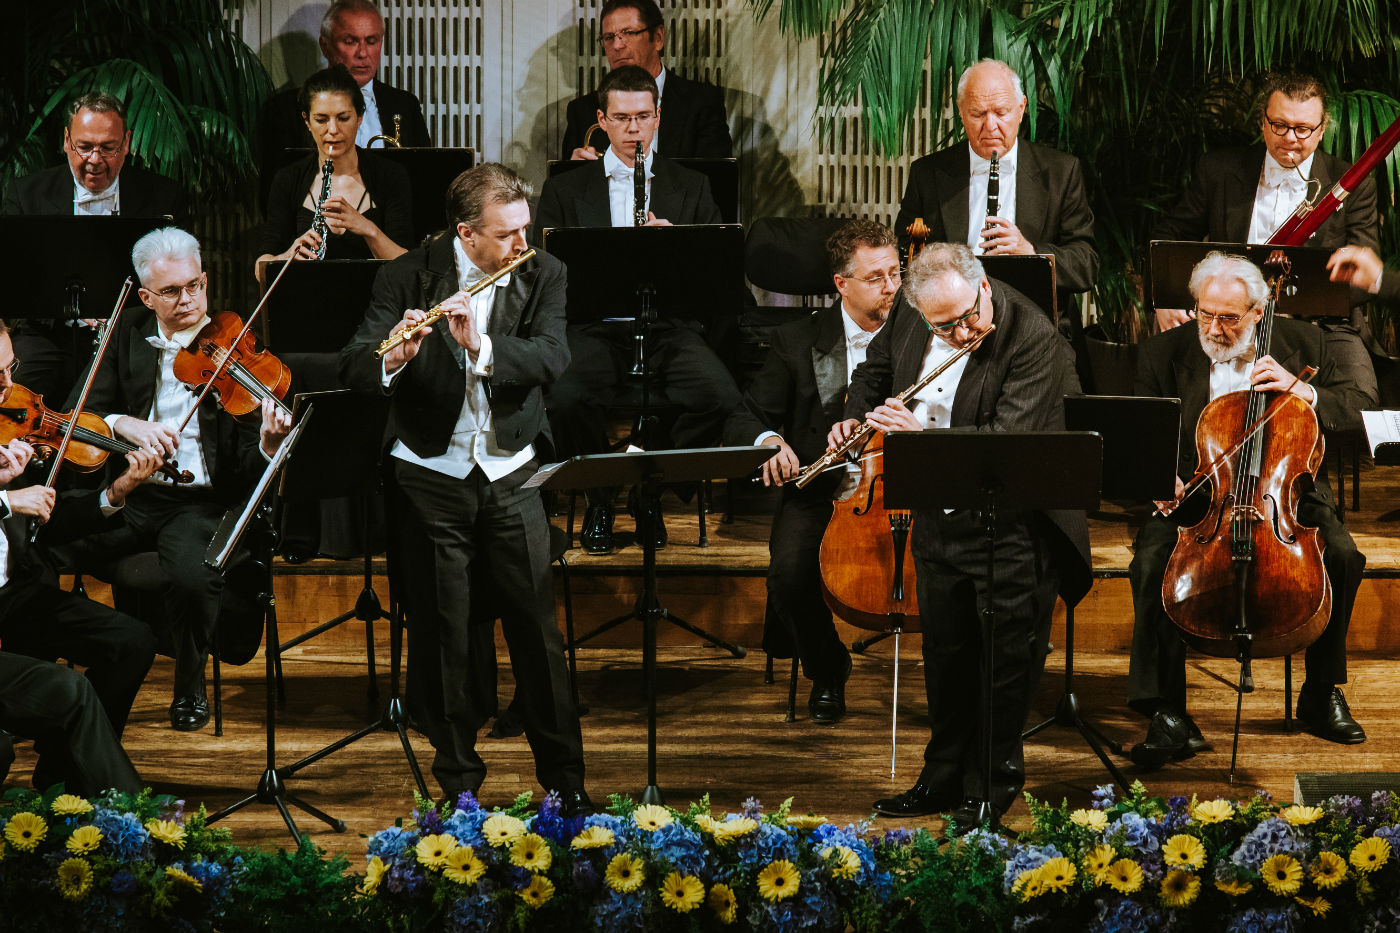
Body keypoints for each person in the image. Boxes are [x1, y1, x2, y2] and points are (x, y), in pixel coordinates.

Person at [338, 163, 590, 813]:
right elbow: (357, 361)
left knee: (537, 633)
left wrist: (480, 348)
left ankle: (565, 781)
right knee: (444, 634)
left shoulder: (542, 272)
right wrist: (392, 358)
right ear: (466, 233)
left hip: (511, 472)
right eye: (507, 234)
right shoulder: (405, 275)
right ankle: (460, 788)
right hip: (431, 474)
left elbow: (551, 357)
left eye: (524, 229)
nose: (521, 244)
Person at [836, 243, 1090, 831]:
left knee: (1002, 664)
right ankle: (941, 775)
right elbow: (874, 370)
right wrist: (855, 415)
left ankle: (990, 789)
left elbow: (1004, 446)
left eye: (968, 317)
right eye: (942, 326)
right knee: (945, 655)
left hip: (1010, 524)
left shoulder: (1030, 336)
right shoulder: (911, 311)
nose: (960, 332)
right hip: (933, 516)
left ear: (982, 286)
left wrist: (917, 434)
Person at [1126, 251, 1367, 769]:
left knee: (1345, 557)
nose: (1213, 327)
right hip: (1196, 497)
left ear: (1259, 311)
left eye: (1229, 317)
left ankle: (1320, 692)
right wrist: (1156, 477)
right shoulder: (1161, 354)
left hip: (1286, 493)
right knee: (1149, 563)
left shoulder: (1305, 344)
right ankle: (1166, 710)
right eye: (1205, 313)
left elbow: (1360, 410)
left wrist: (1304, 390)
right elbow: (1140, 434)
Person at [76, 227, 292, 732]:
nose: (188, 300)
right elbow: (80, 408)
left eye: (195, 285)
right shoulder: (124, 331)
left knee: (194, 576)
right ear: (146, 296)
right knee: (38, 547)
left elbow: (247, 468)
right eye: (171, 292)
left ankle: (189, 685)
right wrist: (122, 423)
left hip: (199, 503)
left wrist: (266, 443)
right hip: (128, 493)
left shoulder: (235, 343)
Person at [538, 65, 742, 554]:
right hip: (594, 325)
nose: (634, 130)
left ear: (658, 118)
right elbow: (543, 269)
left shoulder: (691, 185)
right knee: (564, 399)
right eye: (622, 118)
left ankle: (649, 484)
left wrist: (677, 251)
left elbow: (716, 276)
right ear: (602, 121)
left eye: (643, 117)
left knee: (720, 396)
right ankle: (602, 495)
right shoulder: (566, 188)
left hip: (669, 327)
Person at [722, 219, 899, 725]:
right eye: (875, 278)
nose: (890, 288)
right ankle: (828, 668)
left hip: (900, 489)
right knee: (789, 575)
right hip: (820, 489)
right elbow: (747, 414)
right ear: (841, 284)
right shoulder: (797, 340)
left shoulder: (921, 334)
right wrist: (770, 442)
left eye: (895, 274)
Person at [0, 318, 164, 792]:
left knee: (132, 641)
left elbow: (46, 525)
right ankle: (127, 810)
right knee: (70, 688)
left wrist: (114, 492)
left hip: (13, 594)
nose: (10, 387)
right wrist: (6, 500)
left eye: (12, 369)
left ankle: (64, 775)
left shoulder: (8, 426)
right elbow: (12, 508)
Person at [1153, 71, 1379, 409]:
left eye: (1303, 129)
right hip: (1231, 321)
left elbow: (1363, 280)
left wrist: (1311, 289)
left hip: (1322, 326)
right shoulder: (1218, 171)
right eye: (1280, 125)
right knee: (1168, 393)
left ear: (1320, 132)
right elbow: (1168, 237)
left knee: (1363, 403)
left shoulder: (1352, 184)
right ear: (1262, 121)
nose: (1290, 137)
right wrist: (1165, 299)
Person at [1, 92, 186, 407]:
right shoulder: (26, 194)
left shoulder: (163, 197)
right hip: (49, 335)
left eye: (108, 148)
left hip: (132, 337)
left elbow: (181, 275)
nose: (95, 160)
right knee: (15, 395)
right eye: (84, 147)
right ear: (66, 141)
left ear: (126, 143)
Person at [892, 60, 1098, 296]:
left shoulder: (1061, 171)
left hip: (1037, 319)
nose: (990, 126)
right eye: (977, 114)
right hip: (953, 321)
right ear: (961, 112)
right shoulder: (927, 173)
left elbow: (1086, 264)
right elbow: (903, 256)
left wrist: (1030, 251)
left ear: (1021, 109)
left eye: (1001, 113)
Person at [256, 64, 414, 282]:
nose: (332, 130)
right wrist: (285, 257)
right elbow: (260, 267)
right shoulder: (288, 178)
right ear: (307, 122)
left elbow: (410, 268)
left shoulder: (390, 175)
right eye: (321, 120)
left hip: (378, 308)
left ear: (359, 117)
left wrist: (368, 229)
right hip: (306, 303)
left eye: (343, 118)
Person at [259, 0, 431, 175]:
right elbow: (275, 189)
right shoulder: (283, 109)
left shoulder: (405, 105)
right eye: (350, 42)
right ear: (325, 47)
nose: (363, 53)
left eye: (371, 41)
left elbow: (425, 175)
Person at [561, 0, 731, 161]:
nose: (617, 45)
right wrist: (575, 174)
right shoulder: (582, 111)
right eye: (609, 37)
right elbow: (565, 187)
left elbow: (714, 182)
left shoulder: (702, 103)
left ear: (658, 38)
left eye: (628, 33)